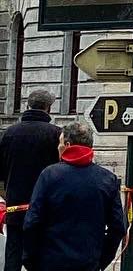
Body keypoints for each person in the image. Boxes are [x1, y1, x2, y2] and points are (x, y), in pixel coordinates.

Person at [22, 118, 125, 271]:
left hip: (50, 261)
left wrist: (30, 259)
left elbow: (32, 221)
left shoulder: (50, 175)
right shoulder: (107, 179)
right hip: (88, 261)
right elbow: (118, 226)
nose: (58, 147)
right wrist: (101, 260)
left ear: (68, 145)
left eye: (60, 143)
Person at [0, 90, 61, 271]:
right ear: (48, 108)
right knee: (42, 255)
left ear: (28, 106)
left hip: (15, 205)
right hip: (46, 208)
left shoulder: (8, 133)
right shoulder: (56, 134)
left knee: (13, 254)